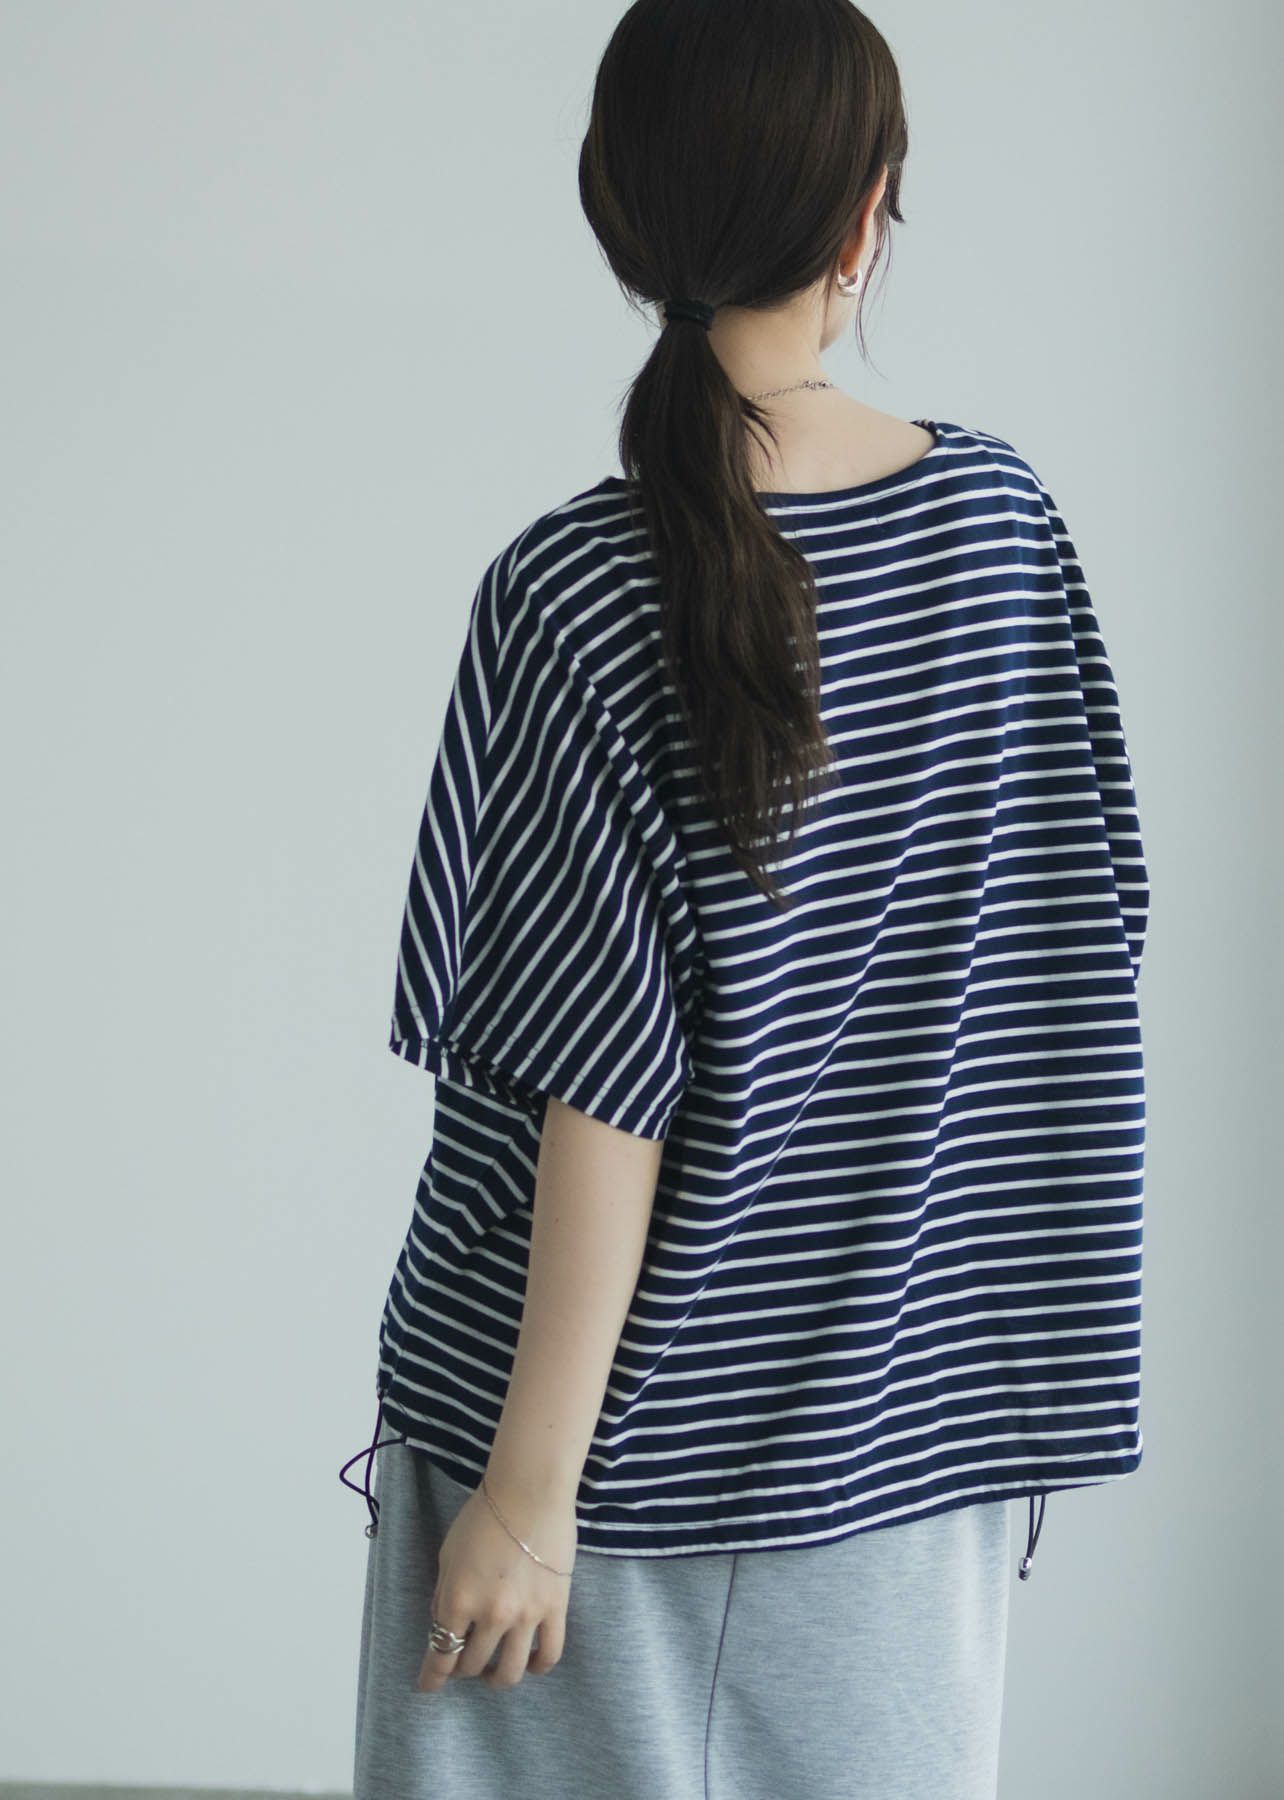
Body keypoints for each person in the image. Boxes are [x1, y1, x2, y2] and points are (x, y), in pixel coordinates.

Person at [340, 1, 1149, 1794]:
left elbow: (595, 1072)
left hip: (586, 1470)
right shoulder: (1003, 534)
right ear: (867, 215)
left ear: (621, 208)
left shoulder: (570, 588)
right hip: (908, 1436)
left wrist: (528, 1495)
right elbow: (1072, 956)